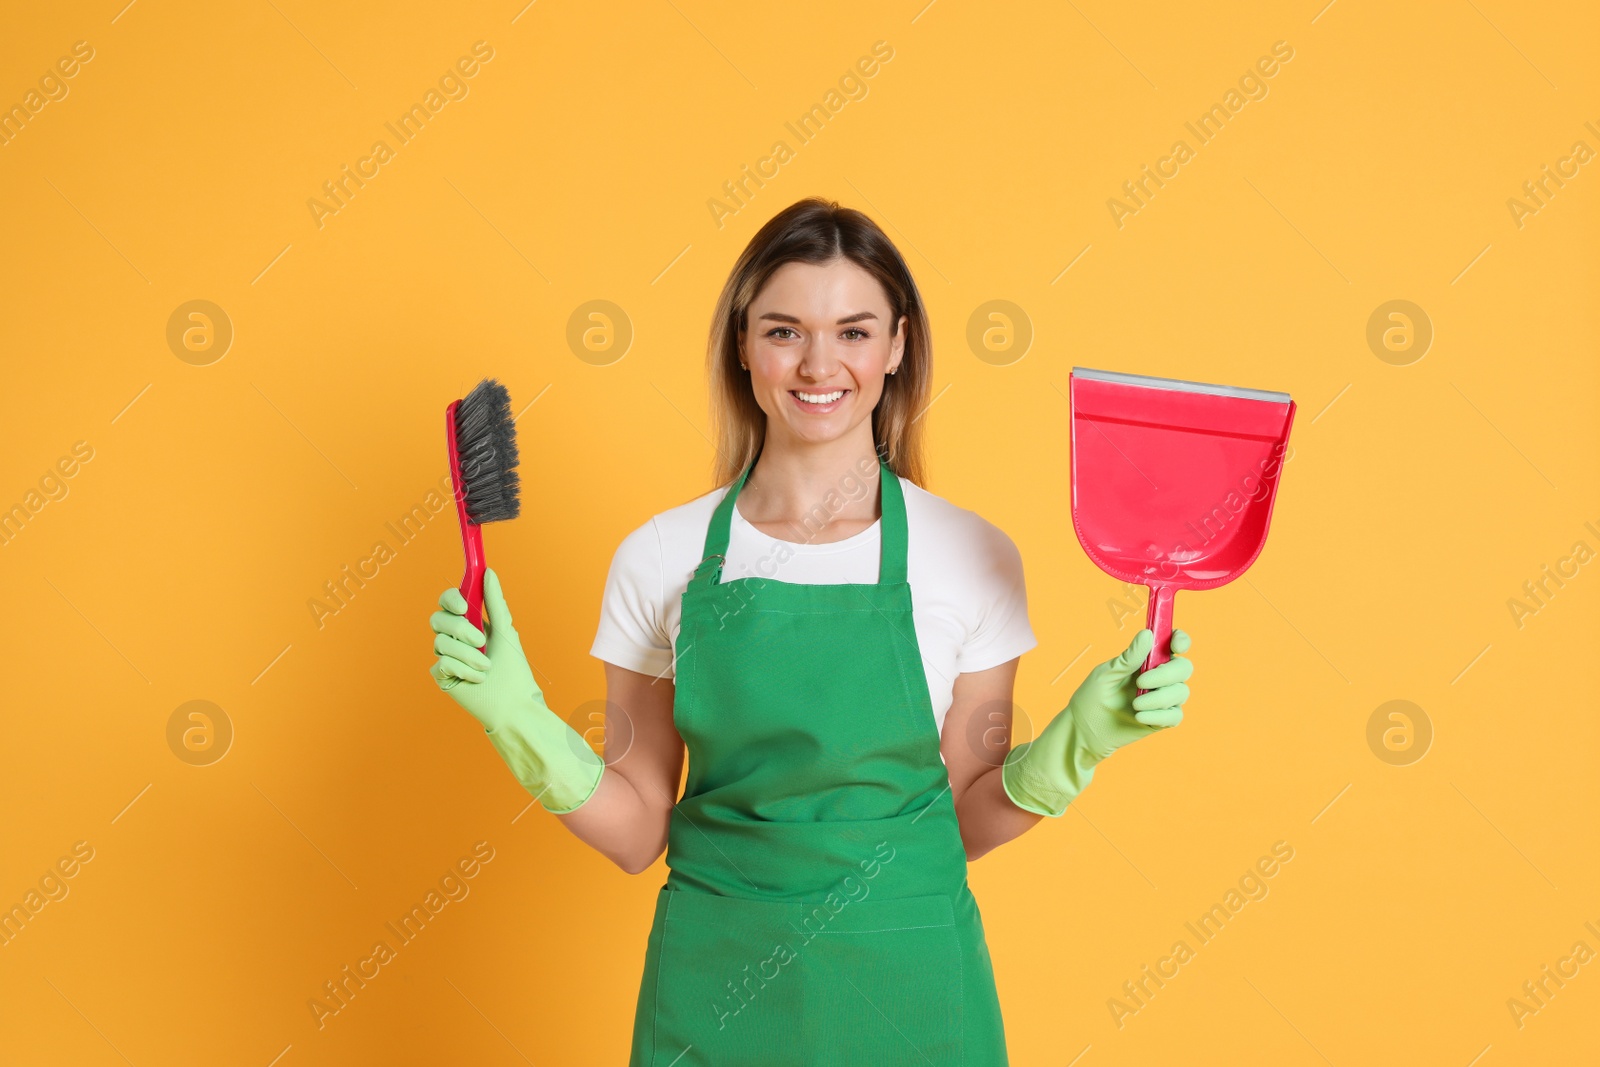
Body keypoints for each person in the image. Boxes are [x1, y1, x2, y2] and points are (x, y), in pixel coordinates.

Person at [427, 197, 1193, 1065]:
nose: (819, 363)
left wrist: (1079, 744)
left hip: (913, 983)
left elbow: (969, 816)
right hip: (716, 988)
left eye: (854, 332)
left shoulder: (972, 555)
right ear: (743, 346)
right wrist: (515, 717)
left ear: (898, 345)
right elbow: (639, 829)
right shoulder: (661, 555)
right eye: (785, 331)